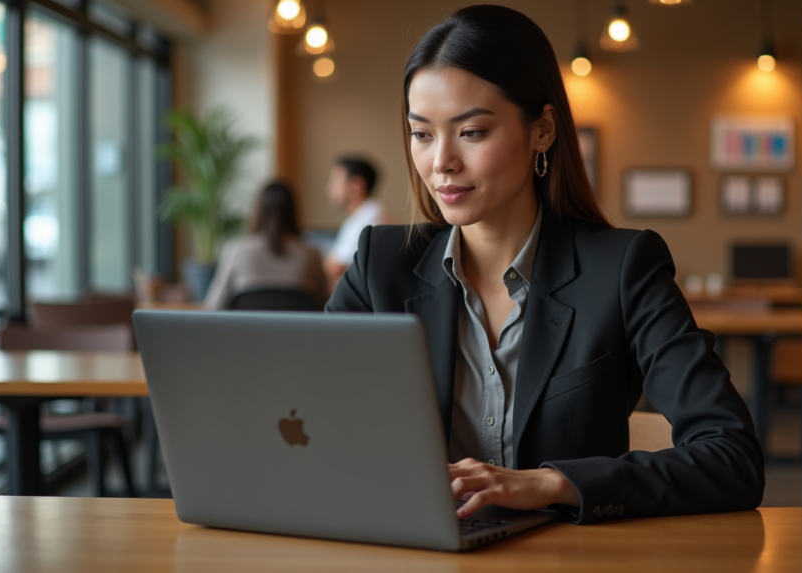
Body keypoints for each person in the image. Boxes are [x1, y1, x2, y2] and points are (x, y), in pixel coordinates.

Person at [326, 5, 764, 524]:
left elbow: (732, 457)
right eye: (422, 134)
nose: (440, 161)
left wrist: (550, 483)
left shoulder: (623, 269)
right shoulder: (380, 265)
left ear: (543, 130)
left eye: (471, 132)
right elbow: (309, 422)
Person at [204, 181, 327, 310]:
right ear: (292, 212)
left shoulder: (236, 250)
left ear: (258, 211)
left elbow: (213, 305)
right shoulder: (312, 254)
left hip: (246, 330)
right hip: (297, 330)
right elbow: (327, 306)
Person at [323, 157, 393, 289]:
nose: (329, 188)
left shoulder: (370, 217)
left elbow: (334, 268)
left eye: (335, 182)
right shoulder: (360, 215)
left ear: (356, 185)